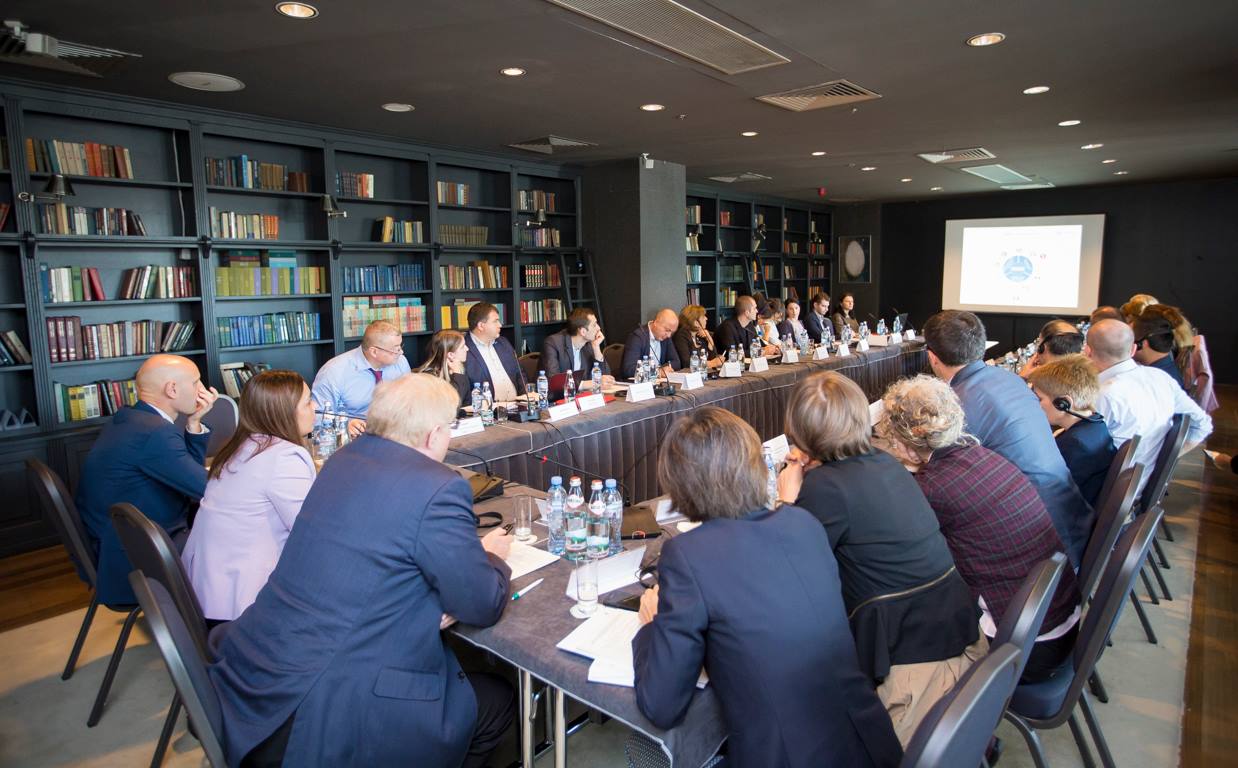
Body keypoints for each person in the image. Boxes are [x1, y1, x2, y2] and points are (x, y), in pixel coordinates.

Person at [209, 374, 515, 767]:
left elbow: (372, 555)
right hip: (328, 713)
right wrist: (492, 557)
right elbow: (483, 604)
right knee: (497, 701)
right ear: (432, 434)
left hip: (258, 678)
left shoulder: (342, 460)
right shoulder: (438, 487)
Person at [632, 407, 902, 768]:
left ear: (680, 483)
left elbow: (662, 705)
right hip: (870, 743)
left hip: (786, 756)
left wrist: (651, 627)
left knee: (647, 755)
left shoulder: (688, 555)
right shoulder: (803, 523)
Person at [776, 371, 981, 745]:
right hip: (959, 641)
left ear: (799, 431)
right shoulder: (887, 463)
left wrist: (786, 501)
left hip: (912, 678)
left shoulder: (825, 488)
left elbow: (783, 573)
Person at [879, 376, 1082, 682]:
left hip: (1023, 649)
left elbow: (895, 558)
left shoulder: (933, 488)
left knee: (889, 628)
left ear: (901, 442)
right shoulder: (986, 456)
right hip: (1059, 618)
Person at [923, 310, 1094, 566]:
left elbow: (936, 476)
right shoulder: (1011, 379)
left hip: (1040, 547)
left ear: (932, 357)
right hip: (1071, 520)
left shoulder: (957, 405)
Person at [76, 354, 217, 606]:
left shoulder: (130, 418)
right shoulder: (155, 432)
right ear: (172, 389)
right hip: (135, 558)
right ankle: (214, 621)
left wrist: (194, 422)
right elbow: (206, 489)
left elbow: (190, 479)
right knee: (236, 542)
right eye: (196, 382)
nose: (202, 390)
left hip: (116, 544)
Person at [182, 370, 317, 622]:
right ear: (284, 412)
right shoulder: (285, 457)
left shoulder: (240, 446)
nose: (315, 407)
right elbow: (310, 533)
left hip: (207, 592)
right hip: (243, 607)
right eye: (308, 402)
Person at [1084, 319, 1212, 498]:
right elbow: (1203, 424)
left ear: (1087, 351)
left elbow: (1083, 454)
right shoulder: (1161, 378)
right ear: (1133, 349)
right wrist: (1164, 461)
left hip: (1105, 493)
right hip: (1137, 488)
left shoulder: (1102, 394)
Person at [1026, 355, 1117, 508]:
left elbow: (1049, 492)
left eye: (1039, 399)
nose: (1035, 404)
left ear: (1063, 404)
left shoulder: (1076, 444)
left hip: (1071, 513)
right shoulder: (1095, 423)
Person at [312, 320, 410, 437]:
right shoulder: (334, 371)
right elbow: (317, 416)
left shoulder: (400, 362)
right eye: (396, 349)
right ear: (374, 351)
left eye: (400, 346)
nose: (401, 352)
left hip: (394, 432)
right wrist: (344, 424)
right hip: (355, 437)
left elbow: (409, 400)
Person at [463, 302, 525, 400]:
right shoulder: (463, 349)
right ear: (481, 326)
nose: (500, 325)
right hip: (488, 408)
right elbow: (464, 391)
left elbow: (520, 374)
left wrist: (525, 399)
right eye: (495, 321)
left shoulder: (503, 343)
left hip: (518, 404)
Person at [540, 307, 614, 388]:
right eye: (594, 325)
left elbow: (606, 378)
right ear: (583, 332)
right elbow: (554, 382)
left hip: (581, 395)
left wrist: (596, 348)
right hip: (552, 395)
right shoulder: (553, 343)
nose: (598, 328)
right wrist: (592, 383)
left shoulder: (588, 344)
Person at [1130, 311, 1186, 391]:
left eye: (1129, 339)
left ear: (1142, 344)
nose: (1125, 343)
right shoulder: (1169, 372)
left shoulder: (1153, 381)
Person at [620, 308, 682, 380]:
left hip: (657, 382)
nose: (669, 335)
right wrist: (657, 371)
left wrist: (663, 369)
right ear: (656, 323)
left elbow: (676, 362)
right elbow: (628, 369)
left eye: (672, 332)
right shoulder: (637, 337)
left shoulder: (666, 338)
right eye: (667, 330)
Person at [416, 329, 472, 406]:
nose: (467, 349)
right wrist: (457, 374)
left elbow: (467, 403)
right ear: (451, 355)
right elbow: (451, 405)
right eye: (462, 347)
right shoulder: (429, 377)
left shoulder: (461, 368)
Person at [1018, 319, 1084, 377]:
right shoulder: (1081, 378)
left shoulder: (1039, 382)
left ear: (1042, 348)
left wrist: (1021, 378)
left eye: (1039, 341)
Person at [672, 305, 722, 370]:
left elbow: (714, 358)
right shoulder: (681, 336)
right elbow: (687, 363)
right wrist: (711, 363)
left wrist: (709, 340)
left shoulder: (700, 335)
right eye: (703, 317)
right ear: (696, 322)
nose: (706, 318)